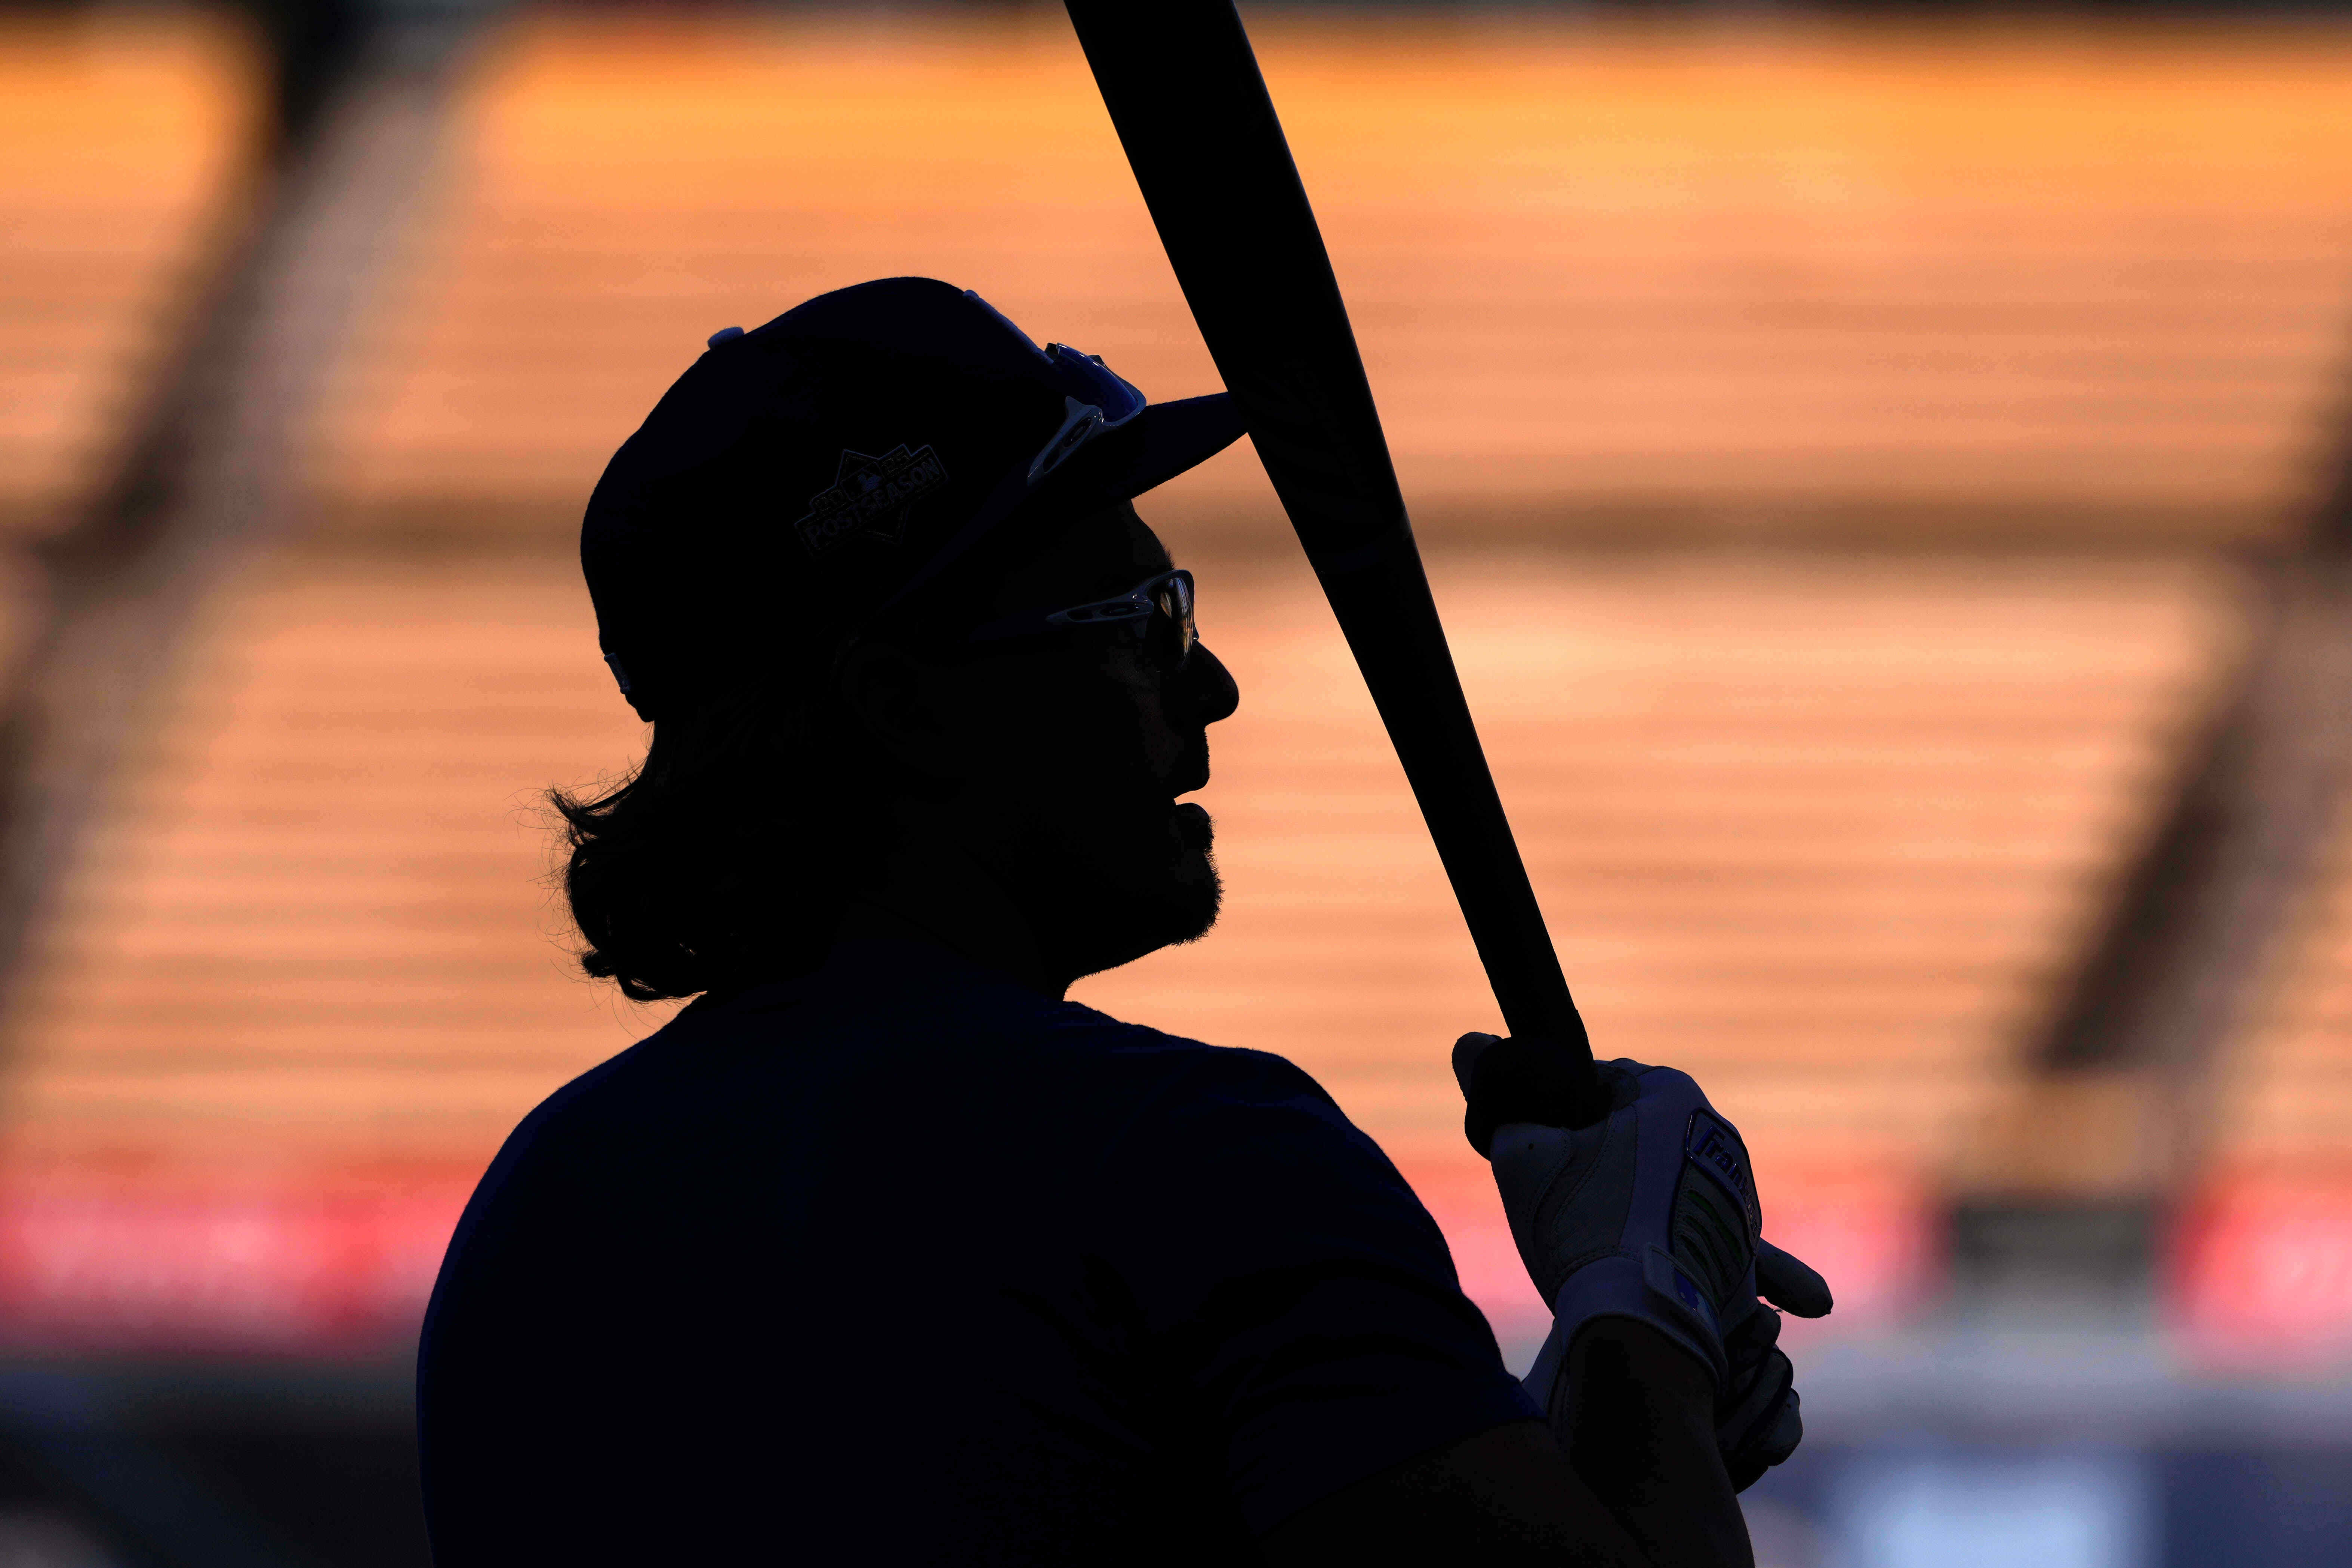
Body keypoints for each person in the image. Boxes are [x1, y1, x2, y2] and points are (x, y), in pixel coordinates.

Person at [416, 278, 1829, 1566]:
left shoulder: (540, 1211)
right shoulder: (1181, 1157)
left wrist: (1560, 1423)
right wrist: (1637, 1301)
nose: (1207, 684)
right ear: (903, 705)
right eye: (1138, 620)